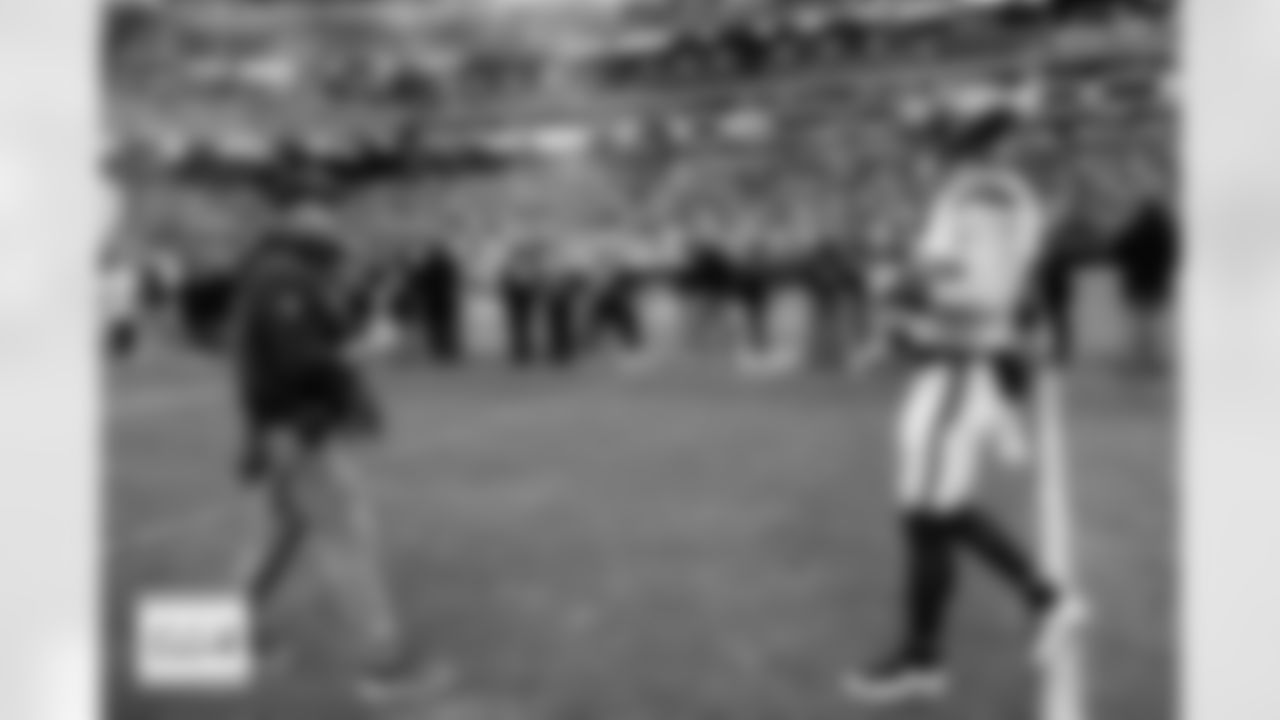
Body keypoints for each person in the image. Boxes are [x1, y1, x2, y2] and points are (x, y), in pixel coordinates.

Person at [844, 110, 1085, 705]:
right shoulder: (1003, 198)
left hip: (953, 372)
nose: (937, 160)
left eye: (944, 147)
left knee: (927, 517)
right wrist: (907, 297)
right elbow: (972, 283)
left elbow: (967, 294)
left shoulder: (976, 198)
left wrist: (899, 302)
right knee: (940, 512)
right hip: (957, 373)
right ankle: (1042, 599)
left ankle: (926, 656)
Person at [229, 214, 417, 701]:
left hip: (280, 432)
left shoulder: (273, 276)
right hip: (299, 432)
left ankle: (233, 633)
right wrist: (368, 347)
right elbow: (302, 362)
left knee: (280, 536)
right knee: (347, 538)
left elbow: (306, 347)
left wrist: (358, 333)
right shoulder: (283, 280)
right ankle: (383, 667)